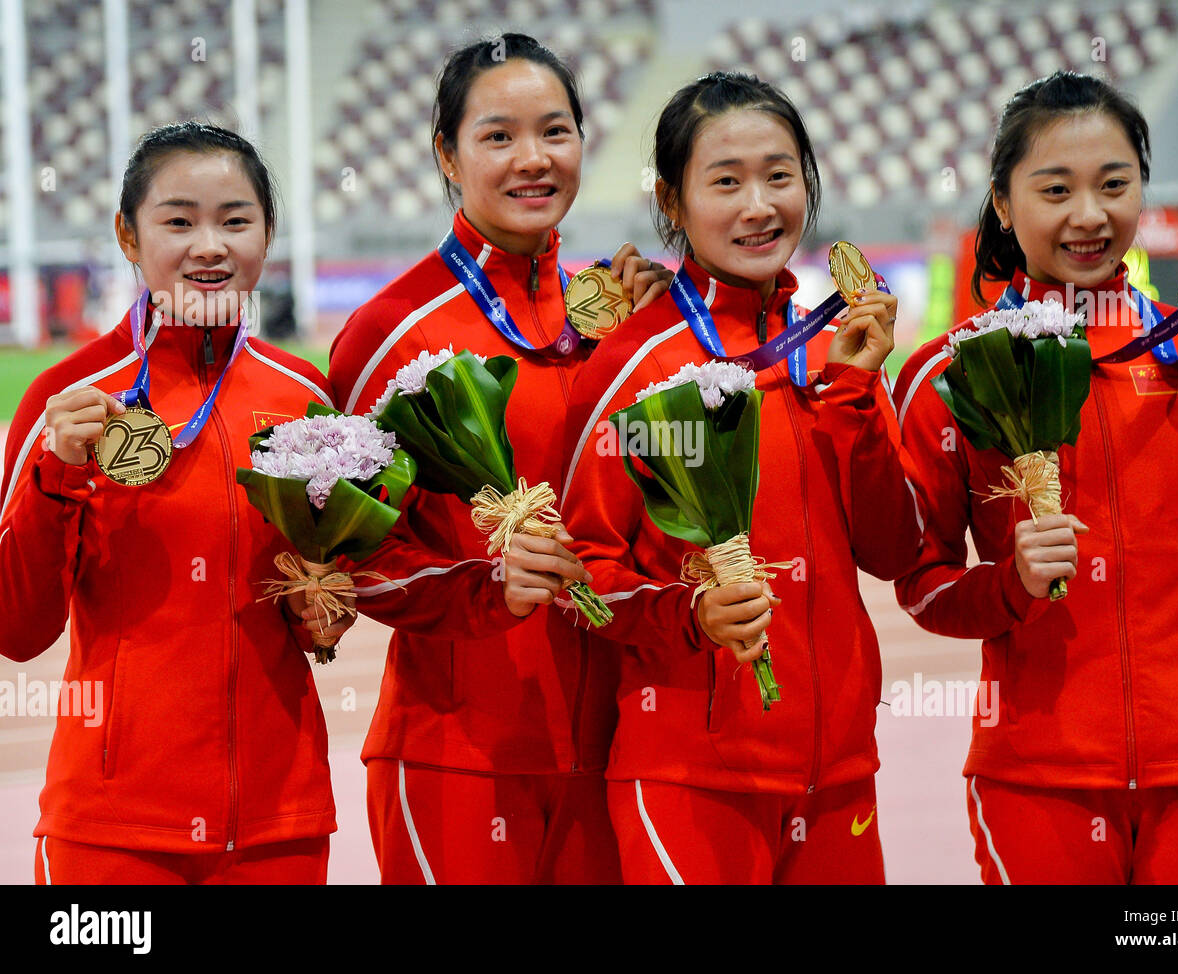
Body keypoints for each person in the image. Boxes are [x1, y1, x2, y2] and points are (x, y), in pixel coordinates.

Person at [892, 71, 1178, 885]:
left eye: (1115, 184)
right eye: (1056, 189)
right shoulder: (957, 374)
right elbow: (921, 586)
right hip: (1038, 784)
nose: (1090, 215)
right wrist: (1009, 586)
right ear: (1004, 205)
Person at [559, 72, 924, 884]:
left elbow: (897, 550)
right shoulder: (633, 368)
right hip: (690, 783)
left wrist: (860, 393)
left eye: (780, 175)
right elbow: (574, 583)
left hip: (837, 779)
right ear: (672, 199)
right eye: (725, 181)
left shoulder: (837, 351)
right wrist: (687, 613)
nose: (759, 205)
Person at [328, 33, 670, 885]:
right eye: (497, 136)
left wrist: (661, 345)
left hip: (617, 750)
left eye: (555, 131)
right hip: (458, 757)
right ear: (446, 152)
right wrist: (481, 590)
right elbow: (341, 554)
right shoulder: (388, 334)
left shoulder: (619, 313)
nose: (533, 159)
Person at [0, 122, 347, 884]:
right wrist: (57, 473)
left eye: (235, 220)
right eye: (178, 220)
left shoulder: (310, 400)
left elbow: (329, 585)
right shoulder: (65, 404)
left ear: (268, 233)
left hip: (278, 827)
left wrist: (325, 607)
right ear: (129, 235)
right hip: (112, 832)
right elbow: (17, 630)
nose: (210, 246)